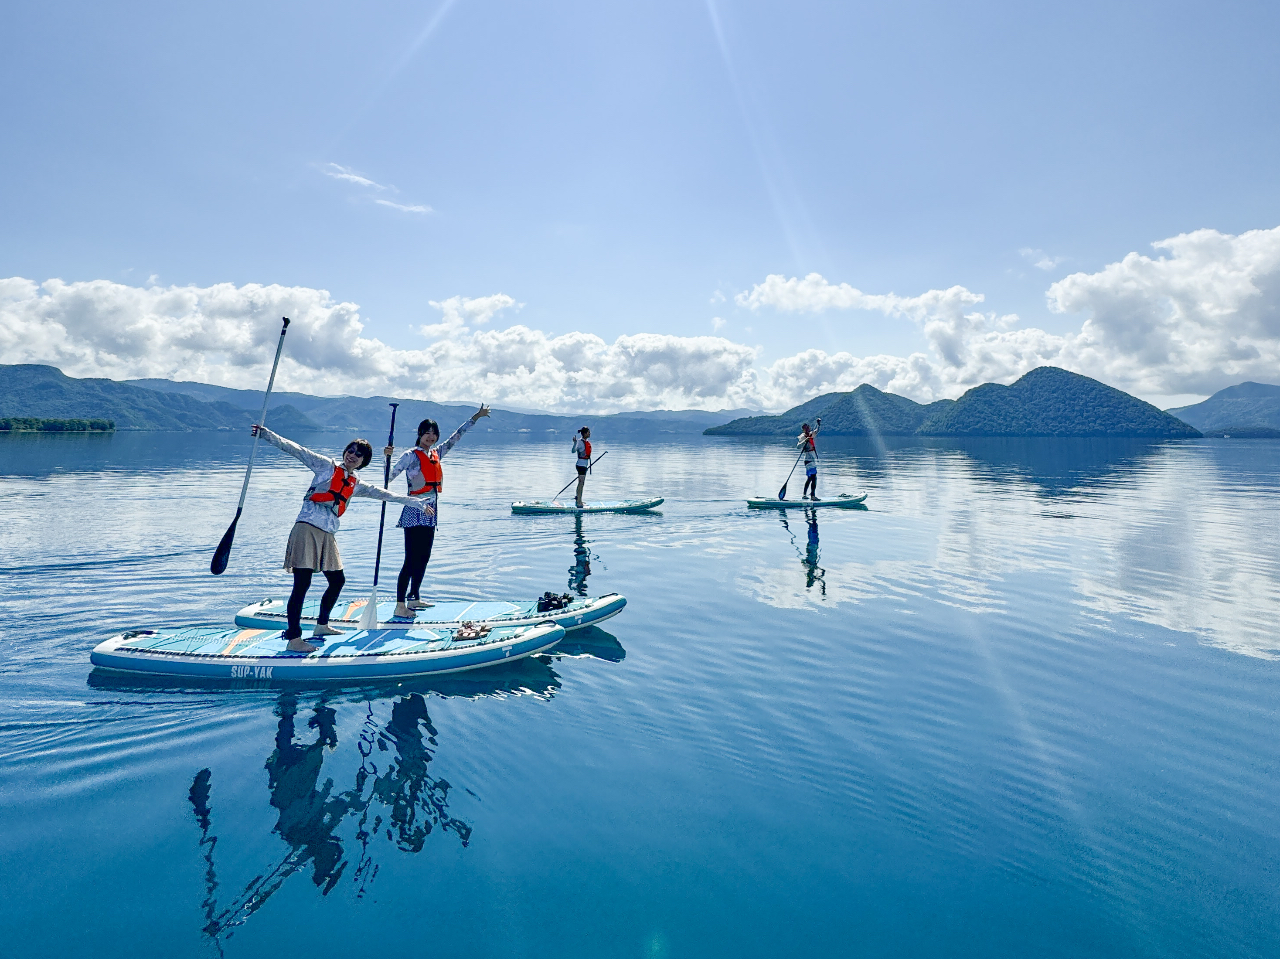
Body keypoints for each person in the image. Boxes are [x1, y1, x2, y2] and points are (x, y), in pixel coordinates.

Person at [253, 425, 422, 652]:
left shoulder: (356, 484)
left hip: (328, 534)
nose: (352, 456)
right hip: (307, 528)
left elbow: (383, 493)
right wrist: (266, 434)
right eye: (350, 451)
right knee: (302, 585)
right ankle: (294, 639)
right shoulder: (325, 466)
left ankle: (322, 625)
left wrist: (412, 501)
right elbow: (296, 449)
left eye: (358, 455)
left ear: (364, 461)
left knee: (337, 581)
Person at [384, 404, 491, 618]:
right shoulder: (410, 455)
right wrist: (386, 459)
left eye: (434, 433)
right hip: (414, 509)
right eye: (427, 432)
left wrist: (476, 417)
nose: (431, 436)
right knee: (411, 559)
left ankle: (414, 597)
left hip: (432, 510)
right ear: (420, 434)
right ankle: (400, 604)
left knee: (424, 556)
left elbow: (457, 436)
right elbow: (388, 478)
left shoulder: (437, 453)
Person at [798, 419, 821, 500]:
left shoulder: (811, 434)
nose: (808, 429)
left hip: (812, 459)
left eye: (808, 428)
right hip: (808, 459)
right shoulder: (802, 437)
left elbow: (817, 431)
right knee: (813, 477)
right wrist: (805, 440)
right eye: (806, 428)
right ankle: (812, 496)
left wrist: (818, 424)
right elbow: (798, 446)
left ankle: (805, 495)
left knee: (810, 478)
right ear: (803, 429)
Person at [572, 426, 592, 508]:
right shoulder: (579, 442)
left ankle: (579, 499)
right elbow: (573, 451)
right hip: (580, 465)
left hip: (584, 465)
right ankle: (579, 501)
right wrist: (574, 443)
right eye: (588, 432)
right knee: (581, 483)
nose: (589, 434)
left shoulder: (586, 442)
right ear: (584, 433)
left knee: (581, 483)